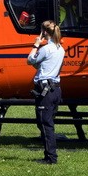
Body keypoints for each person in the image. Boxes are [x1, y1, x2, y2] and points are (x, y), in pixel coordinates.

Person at [27, 20, 64, 165]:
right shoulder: (60, 49)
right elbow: (40, 64)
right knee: (48, 122)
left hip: (45, 90)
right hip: (56, 89)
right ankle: (49, 155)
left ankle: (51, 157)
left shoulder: (45, 49)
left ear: (44, 32)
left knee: (45, 123)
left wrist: (36, 44)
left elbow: (30, 60)